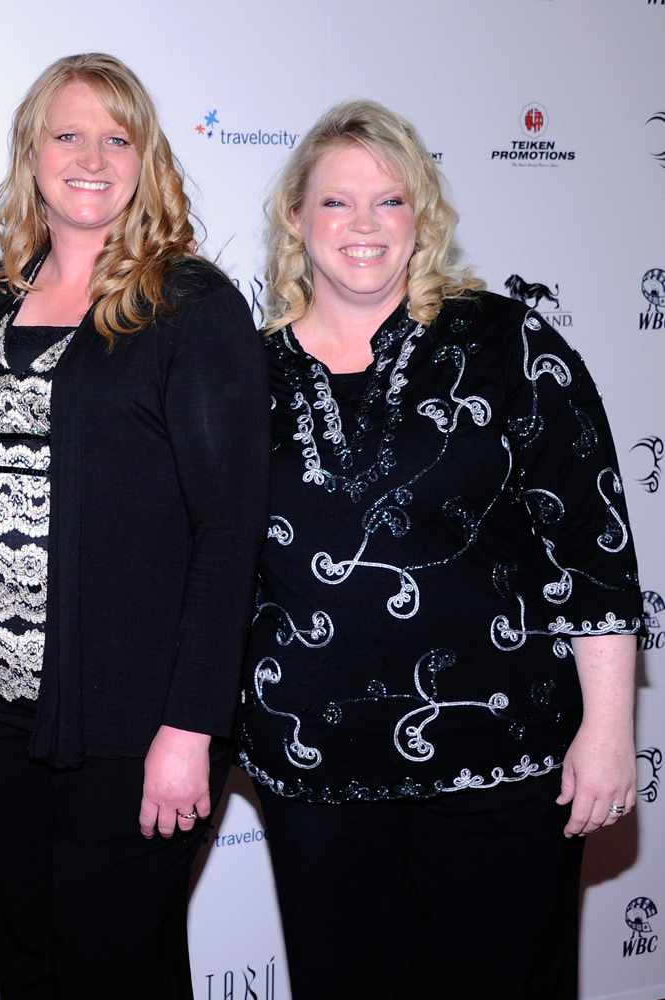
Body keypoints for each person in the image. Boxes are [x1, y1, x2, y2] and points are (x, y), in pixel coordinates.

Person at [237, 99, 641, 999]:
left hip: (500, 759)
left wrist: (610, 730)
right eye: (337, 203)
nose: (364, 227)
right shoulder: (244, 373)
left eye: (390, 201)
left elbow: (592, 548)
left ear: (424, 216)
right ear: (296, 220)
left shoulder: (507, 344)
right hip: (314, 773)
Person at [0, 54, 268, 997]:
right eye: (69, 134)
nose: (93, 158)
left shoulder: (189, 306)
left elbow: (230, 533)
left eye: (119, 138)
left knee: (122, 965)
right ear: (32, 152)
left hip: (130, 716)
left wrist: (191, 726)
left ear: (147, 160)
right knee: (26, 958)